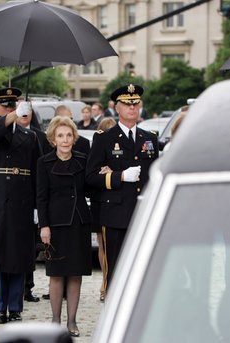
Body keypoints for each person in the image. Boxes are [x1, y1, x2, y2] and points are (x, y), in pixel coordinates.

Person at [86, 84, 159, 294]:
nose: (132, 108)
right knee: (116, 271)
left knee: (142, 270)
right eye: (127, 104)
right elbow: (90, 177)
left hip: (141, 214)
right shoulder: (104, 139)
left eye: (135, 103)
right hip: (115, 215)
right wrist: (120, 177)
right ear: (117, 108)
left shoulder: (150, 139)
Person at [0, 87, 40, 324]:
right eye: (4, 106)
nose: (9, 109)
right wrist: (12, 117)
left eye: (12, 106)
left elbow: (36, 172)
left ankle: (15, 307)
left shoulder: (29, 136)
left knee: (17, 253)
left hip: (21, 199)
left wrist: (36, 207)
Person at [37, 116, 92, 337]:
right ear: (53, 139)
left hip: (78, 222)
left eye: (69, 135)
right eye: (60, 136)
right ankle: (55, 320)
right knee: (57, 274)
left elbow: (91, 187)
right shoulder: (44, 163)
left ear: (74, 138)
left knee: (76, 274)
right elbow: (41, 198)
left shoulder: (82, 160)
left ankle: (72, 322)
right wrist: (44, 226)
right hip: (56, 224)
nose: (65, 139)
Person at [16, 105, 51, 303]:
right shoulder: (10, 134)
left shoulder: (40, 136)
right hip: (15, 195)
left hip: (34, 195)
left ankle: (28, 286)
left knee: (30, 246)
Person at [91, 116, 117, 302]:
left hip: (115, 200)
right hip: (99, 199)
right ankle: (104, 279)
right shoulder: (98, 146)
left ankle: (113, 280)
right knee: (102, 243)